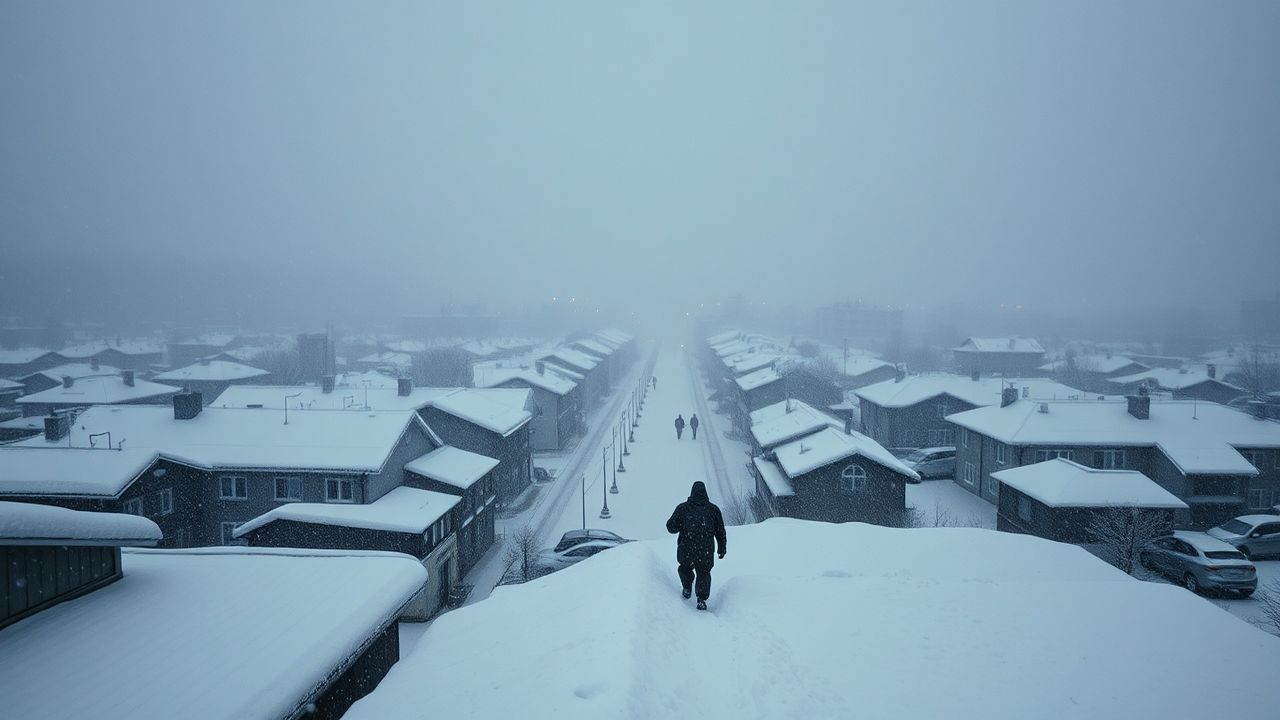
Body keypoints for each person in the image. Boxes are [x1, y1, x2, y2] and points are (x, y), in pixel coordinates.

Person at [665, 481, 727, 610]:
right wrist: (722, 548)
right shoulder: (713, 510)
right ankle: (701, 599)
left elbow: (671, 527)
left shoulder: (683, 508)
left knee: (685, 568)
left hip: (686, 549)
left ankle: (687, 587)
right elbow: (720, 532)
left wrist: (681, 525)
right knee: (704, 573)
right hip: (705, 551)